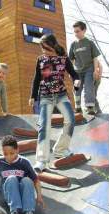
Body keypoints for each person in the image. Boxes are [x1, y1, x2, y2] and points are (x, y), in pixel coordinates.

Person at [29, 34, 80, 172]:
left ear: (52, 45)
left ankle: (60, 149)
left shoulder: (63, 58)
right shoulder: (40, 59)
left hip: (61, 95)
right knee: (44, 125)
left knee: (70, 119)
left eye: (45, 47)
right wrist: (33, 96)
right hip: (45, 96)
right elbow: (36, 79)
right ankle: (41, 160)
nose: (43, 50)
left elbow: (74, 73)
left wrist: (76, 81)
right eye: (42, 48)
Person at [69, 21, 101, 115]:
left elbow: (95, 57)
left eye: (78, 31)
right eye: (74, 32)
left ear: (84, 30)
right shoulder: (73, 45)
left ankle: (90, 107)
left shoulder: (90, 43)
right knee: (76, 88)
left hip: (89, 69)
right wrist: (72, 72)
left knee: (88, 88)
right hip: (77, 71)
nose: (76, 34)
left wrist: (96, 70)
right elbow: (71, 59)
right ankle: (78, 107)